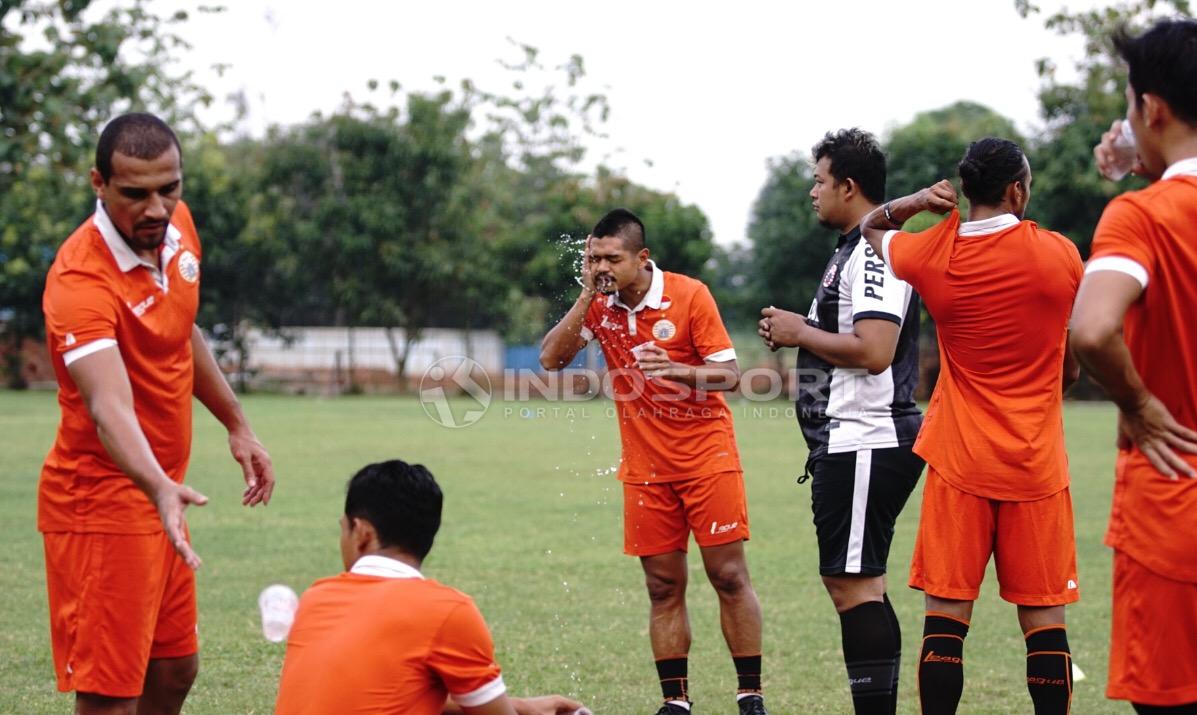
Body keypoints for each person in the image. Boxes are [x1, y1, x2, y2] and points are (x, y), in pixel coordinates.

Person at [39, 112, 276, 715]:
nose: (156, 208)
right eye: (135, 194)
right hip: (102, 503)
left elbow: (181, 331)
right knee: (112, 696)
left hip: (159, 495)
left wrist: (237, 424)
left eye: (169, 189)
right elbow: (107, 404)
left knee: (173, 669)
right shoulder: (80, 281)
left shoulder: (177, 228)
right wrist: (158, 485)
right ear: (99, 183)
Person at [860, 138, 1083, 715]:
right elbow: (1076, 356)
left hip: (959, 463)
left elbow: (869, 227)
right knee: (1044, 621)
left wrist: (912, 204)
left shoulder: (934, 252)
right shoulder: (1060, 255)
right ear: (1016, 189)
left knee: (946, 619)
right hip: (1037, 466)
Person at [539, 209, 767, 715]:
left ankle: (750, 694)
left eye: (611, 258)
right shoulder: (599, 307)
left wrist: (677, 370)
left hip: (708, 458)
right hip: (645, 469)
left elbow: (729, 375)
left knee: (728, 576)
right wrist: (585, 297)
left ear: (641, 258)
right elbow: (552, 358)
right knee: (662, 586)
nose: (601, 266)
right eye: (592, 257)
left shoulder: (689, 295)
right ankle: (676, 701)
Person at [757, 128, 923, 714]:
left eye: (820, 181)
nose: (812, 191)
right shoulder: (852, 249)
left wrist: (800, 333)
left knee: (855, 586)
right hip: (851, 441)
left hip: (868, 437)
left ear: (848, 186)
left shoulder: (876, 252)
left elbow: (875, 349)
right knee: (856, 584)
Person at [1071, 18, 1197, 713]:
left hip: (1175, 501)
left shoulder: (1141, 217)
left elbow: (1092, 328)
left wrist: (1139, 404)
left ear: (1151, 107)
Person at [275, 460, 585, 715]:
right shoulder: (447, 612)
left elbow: (393, 694)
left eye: (342, 529)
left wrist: (522, 707)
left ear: (362, 532)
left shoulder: (316, 596)